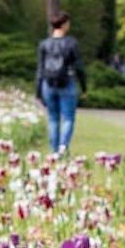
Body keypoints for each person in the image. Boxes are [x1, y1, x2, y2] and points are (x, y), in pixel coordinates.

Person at [35, 12, 87, 154]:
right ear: (64, 25)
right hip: (67, 82)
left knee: (53, 118)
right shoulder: (71, 43)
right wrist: (84, 86)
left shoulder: (44, 44)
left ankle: (54, 151)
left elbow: (40, 68)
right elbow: (79, 67)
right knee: (68, 117)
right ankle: (63, 145)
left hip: (48, 83)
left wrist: (38, 91)